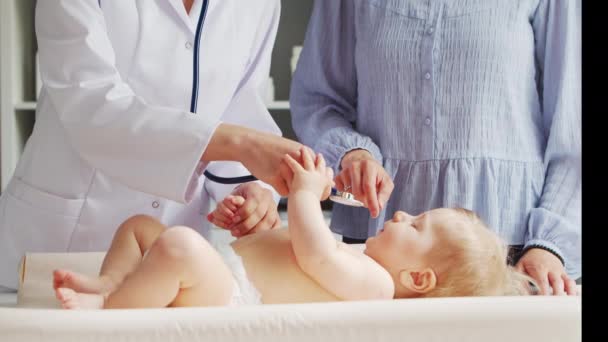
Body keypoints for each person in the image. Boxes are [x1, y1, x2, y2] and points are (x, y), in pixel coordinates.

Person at [0, 0, 304, 291]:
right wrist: (241, 145)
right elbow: (91, 107)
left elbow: (241, 105)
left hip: (173, 257)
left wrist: (249, 190)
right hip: (67, 242)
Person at [289, 0, 581, 295]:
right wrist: (352, 153)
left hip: (518, 253)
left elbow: (574, 126)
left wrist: (550, 245)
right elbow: (317, 101)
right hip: (377, 252)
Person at [52, 148, 535, 310]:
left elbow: (314, 256)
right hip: (226, 265)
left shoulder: (376, 286)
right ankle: (113, 283)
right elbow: (286, 247)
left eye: (417, 226)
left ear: (419, 279)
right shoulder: (362, 253)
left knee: (177, 245)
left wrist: (304, 194)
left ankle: (109, 312)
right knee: (141, 227)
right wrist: (245, 226)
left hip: (232, 297)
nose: (402, 215)